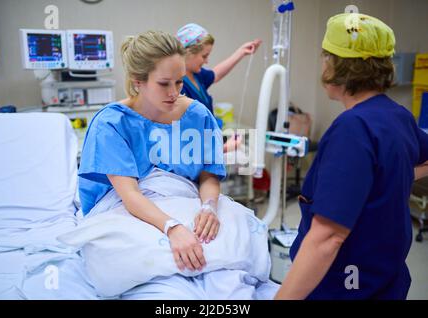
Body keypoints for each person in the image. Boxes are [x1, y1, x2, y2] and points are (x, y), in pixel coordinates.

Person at [275, 13, 428, 300]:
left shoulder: (352, 130)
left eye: (326, 57)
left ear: (336, 66)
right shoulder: (398, 116)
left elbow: (327, 238)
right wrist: (392, 180)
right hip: (387, 282)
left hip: (345, 287)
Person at [78, 30, 226, 273]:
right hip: (128, 207)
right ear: (138, 80)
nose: (174, 93)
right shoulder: (112, 123)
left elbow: (208, 174)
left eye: (179, 82)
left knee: (221, 257)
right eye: (163, 84)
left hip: (185, 201)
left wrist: (209, 206)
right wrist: (172, 227)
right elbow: (129, 194)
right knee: (135, 265)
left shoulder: (198, 115)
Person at [176, 23, 262, 152]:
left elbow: (215, 74)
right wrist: (226, 148)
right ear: (188, 53)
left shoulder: (197, 75)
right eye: (204, 56)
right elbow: (188, 144)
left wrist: (241, 52)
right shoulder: (178, 87)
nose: (207, 61)